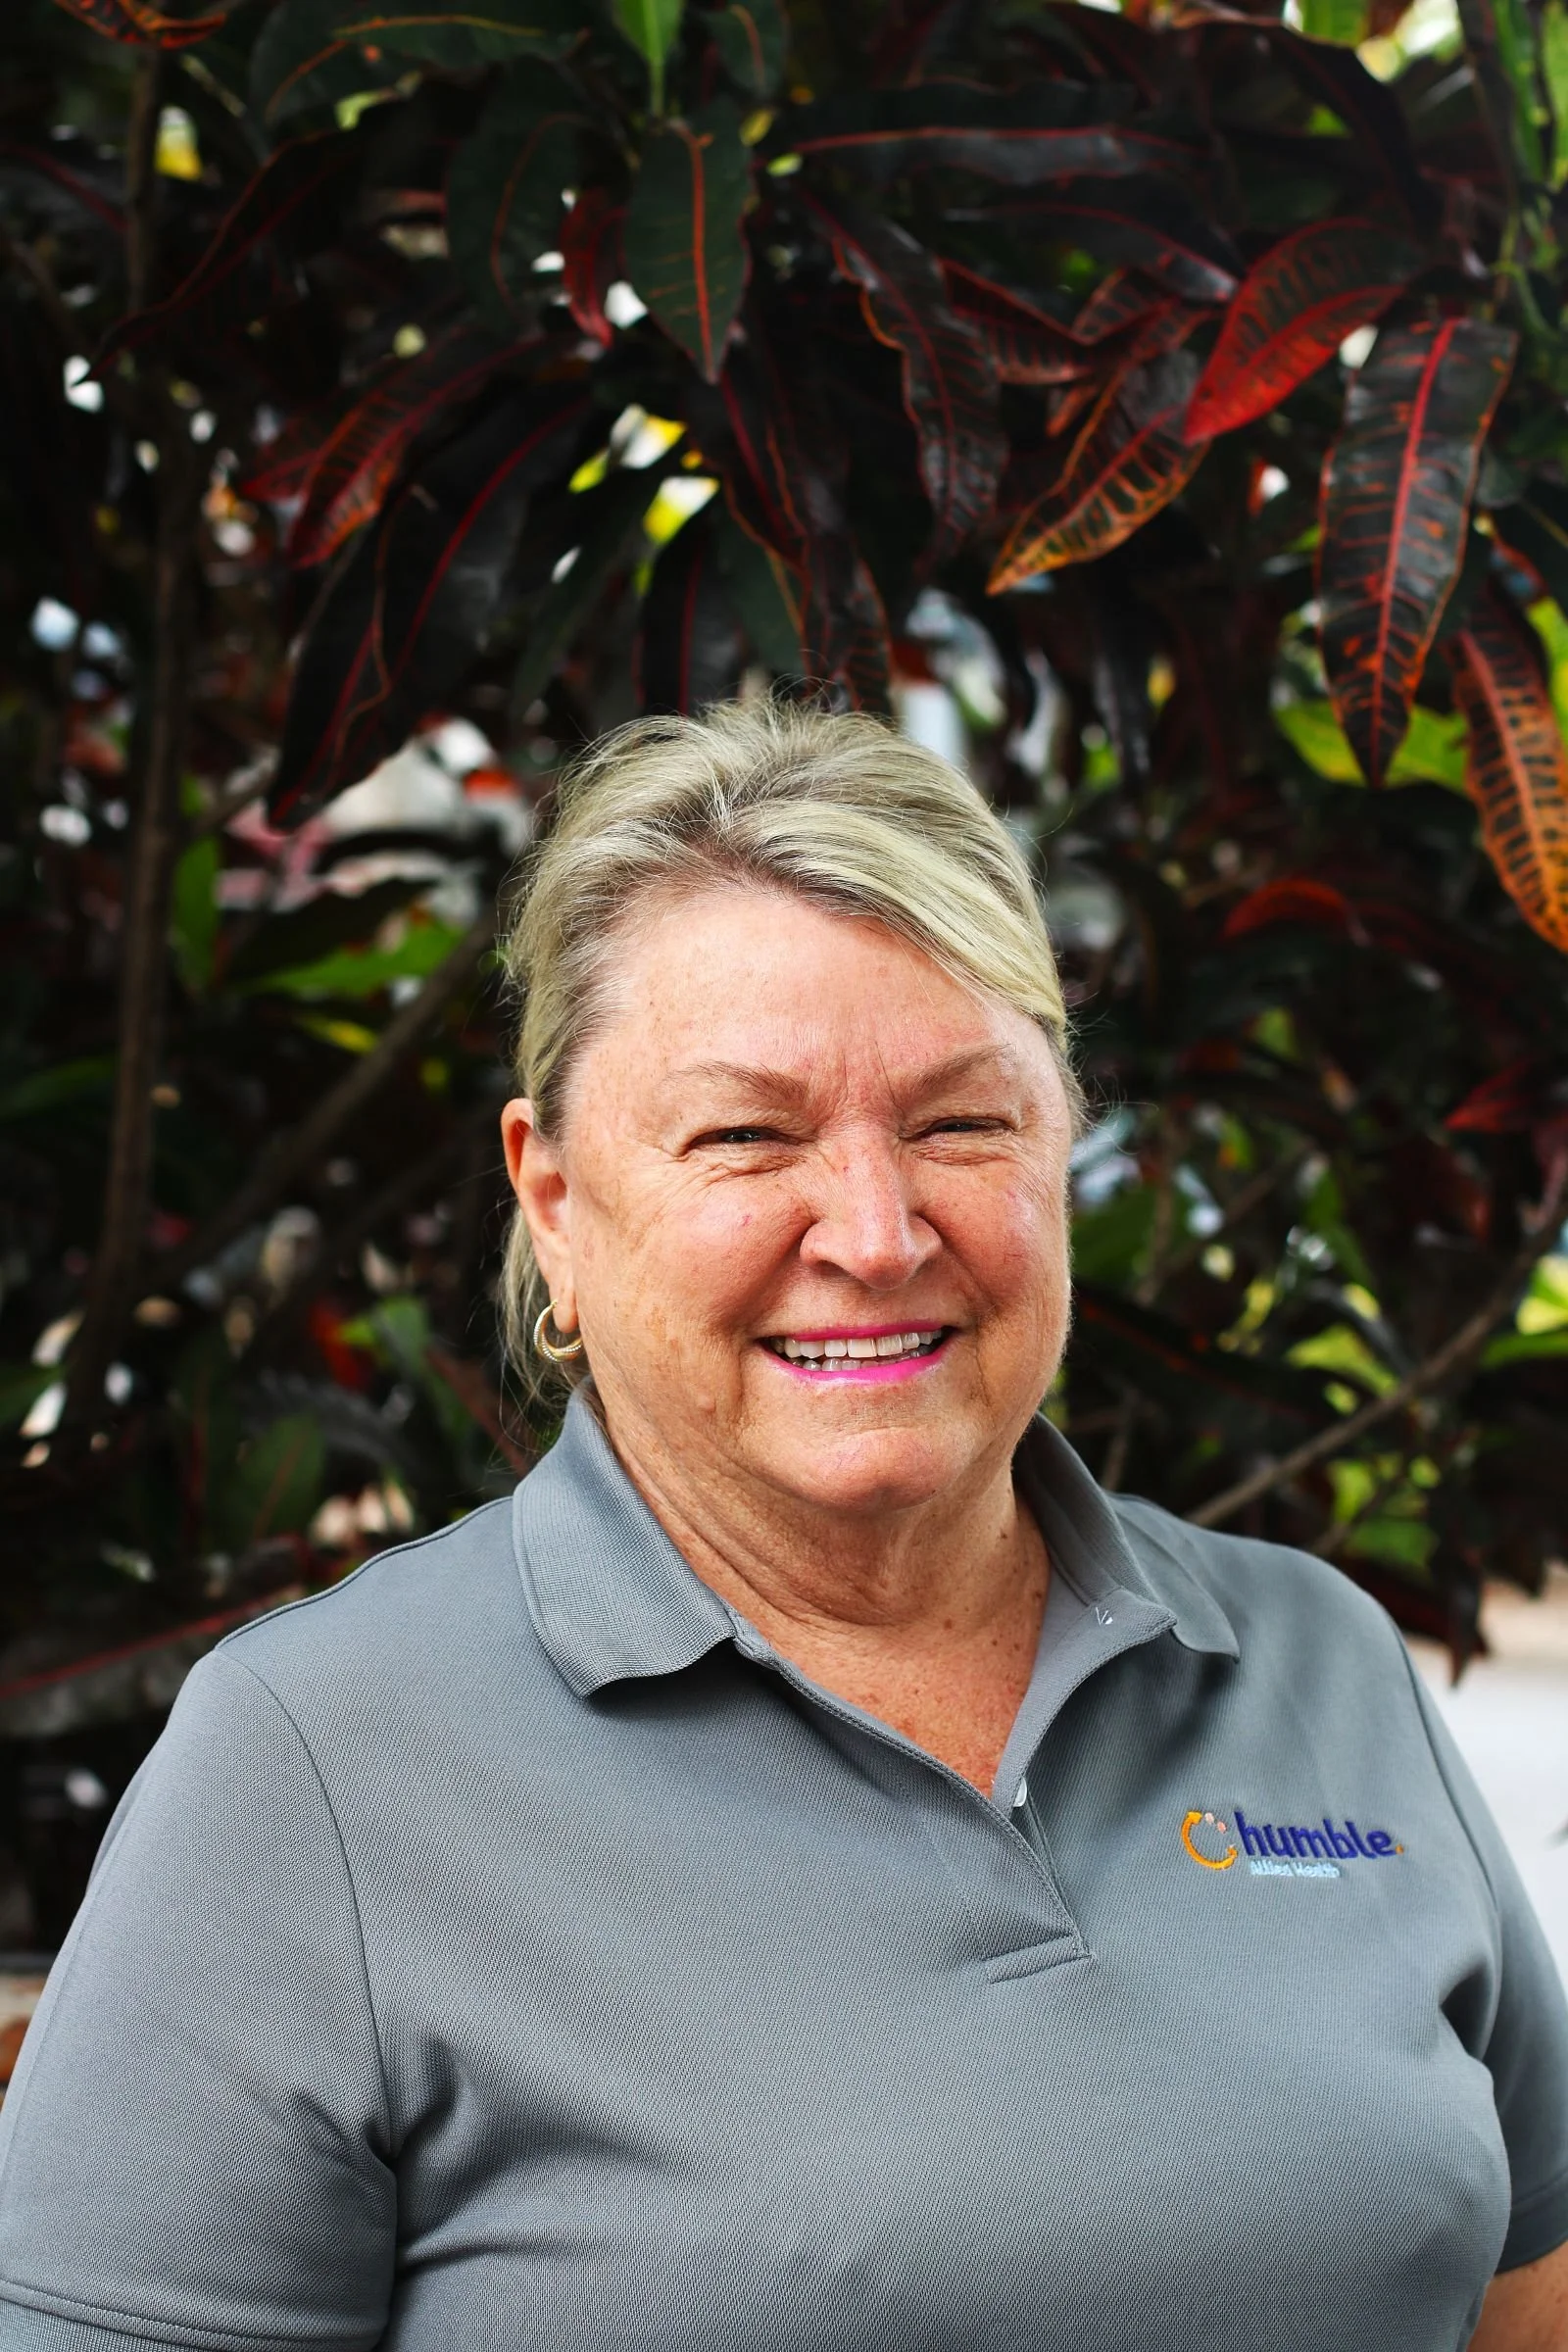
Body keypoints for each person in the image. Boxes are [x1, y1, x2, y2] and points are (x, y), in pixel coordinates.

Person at [1, 702, 1565, 2352]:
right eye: (747, 1135)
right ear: (555, 1201)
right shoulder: (314, 1766)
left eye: (963, 1121)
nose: (879, 1237)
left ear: (1061, 1142)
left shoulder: (1312, 1658)